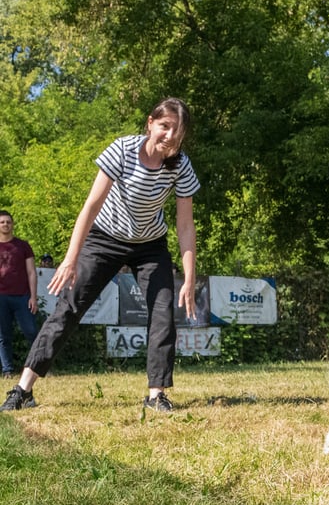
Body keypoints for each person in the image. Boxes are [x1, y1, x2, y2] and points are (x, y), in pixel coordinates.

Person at [0, 97, 200, 413]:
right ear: (150, 123)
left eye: (178, 131)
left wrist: (189, 277)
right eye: (165, 126)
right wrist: (70, 259)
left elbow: (185, 225)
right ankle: (23, 389)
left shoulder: (181, 166)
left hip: (150, 245)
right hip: (105, 238)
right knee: (69, 306)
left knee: (162, 311)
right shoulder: (122, 150)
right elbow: (91, 207)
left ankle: (156, 394)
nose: (170, 136)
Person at [0, 210, 38, 379]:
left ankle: (38, 367)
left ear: (12, 225)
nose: (5, 225)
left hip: (22, 297)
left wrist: (33, 297)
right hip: (1, 297)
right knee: (3, 336)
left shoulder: (23, 246)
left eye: (8, 222)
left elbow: (31, 272)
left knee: (31, 332)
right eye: (2, 222)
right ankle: (7, 370)